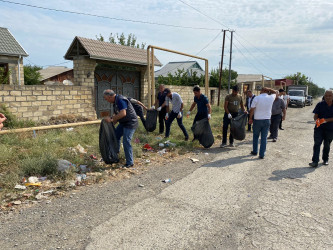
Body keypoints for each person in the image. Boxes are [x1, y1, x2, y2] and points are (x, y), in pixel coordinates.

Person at [103, 89, 138, 168]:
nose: (106, 100)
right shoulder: (115, 102)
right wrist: (112, 123)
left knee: (126, 141)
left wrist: (111, 119)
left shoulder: (120, 100)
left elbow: (123, 113)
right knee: (115, 136)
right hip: (123, 123)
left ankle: (129, 162)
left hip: (130, 123)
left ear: (109, 96)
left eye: (106, 98)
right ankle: (115, 155)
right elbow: (117, 114)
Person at [249, 87, 277, 159]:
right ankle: (262, 154)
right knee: (264, 138)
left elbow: (252, 109)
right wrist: (270, 89)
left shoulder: (257, 98)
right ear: (267, 91)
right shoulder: (271, 98)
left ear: (262, 91)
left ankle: (255, 151)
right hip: (267, 120)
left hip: (257, 119)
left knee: (255, 136)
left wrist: (250, 118)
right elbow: (276, 92)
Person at [309, 90, 333, 167]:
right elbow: (315, 116)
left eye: (330, 96)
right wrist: (317, 120)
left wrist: (326, 120)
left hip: (330, 129)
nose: (328, 97)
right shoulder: (320, 104)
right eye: (326, 96)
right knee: (317, 144)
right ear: (324, 96)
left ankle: (325, 159)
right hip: (319, 128)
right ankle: (315, 161)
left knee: (327, 145)